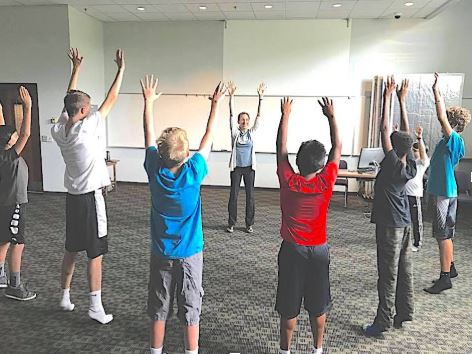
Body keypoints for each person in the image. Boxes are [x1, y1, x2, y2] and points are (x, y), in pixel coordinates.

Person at [141, 75, 226, 354]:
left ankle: (156, 351)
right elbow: (209, 135)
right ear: (187, 153)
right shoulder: (194, 173)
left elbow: (147, 134)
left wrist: (148, 102)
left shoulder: (154, 169)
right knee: (191, 306)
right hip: (190, 254)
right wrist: (215, 105)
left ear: (161, 153)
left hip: (161, 252)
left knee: (159, 306)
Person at [51, 48, 125, 324]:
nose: (92, 109)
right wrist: (121, 69)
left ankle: (64, 296)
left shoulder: (60, 129)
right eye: (89, 107)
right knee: (95, 253)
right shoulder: (87, 127)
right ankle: (95, 307)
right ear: (83, 111)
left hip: (72, 198)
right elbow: (112, 97)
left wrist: (75, 69)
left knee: (71, 248)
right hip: (91, 200)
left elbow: (68, 102)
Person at [275, 96, 342, 354]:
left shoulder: (288, 180)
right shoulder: (326, 181)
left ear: (298, 161)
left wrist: (286, 115)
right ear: (321, 164)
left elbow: (280, 148)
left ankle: (285, 350)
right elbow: (338, 146)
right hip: (319, 251)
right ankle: (317, 349)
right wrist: (331, 116)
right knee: (319, 303)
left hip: (292, 249)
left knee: (289, 304)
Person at [363, 76, 417, 338]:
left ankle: (382, 322)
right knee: (404, 268)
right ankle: (405, 311)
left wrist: (387, 97)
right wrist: (402, 102)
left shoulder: (394, 163)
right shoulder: (409, 164)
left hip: (390, 226)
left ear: (394, 148)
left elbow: (385, 129)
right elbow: (405, 136)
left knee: (388, 274)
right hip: (405, 223)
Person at [424, 73, 471, 294]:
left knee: (443, 235)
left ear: (452, 124)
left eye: (446, 122)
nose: (442, 124)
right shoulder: (446, 142)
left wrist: (436, 92)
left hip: (444, 193)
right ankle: (450, 267)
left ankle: (444, 278)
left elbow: (441, 117)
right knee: (447, 233)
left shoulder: (454, 140)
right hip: (445, 192)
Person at [0, 86, 37, 301]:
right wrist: (28, 107)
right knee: (17, 242)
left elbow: (5, 128)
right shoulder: (10, 156)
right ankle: (15, 285)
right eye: (13, 136)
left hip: (5, 203)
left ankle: (1, 276)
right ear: (10, 143)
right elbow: (26, 132)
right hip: (14, 203)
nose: (17, 136)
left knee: (4, 238)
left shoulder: (3, 152)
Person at [226, 81, 266, 233]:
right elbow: (230, 114)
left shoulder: (252, 133)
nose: (245, 122)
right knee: (233, 196)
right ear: (238, 122)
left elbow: (259, 117)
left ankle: (249, 224)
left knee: (250, 197)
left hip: (249, 168)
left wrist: (260, 98)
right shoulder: (235, 133)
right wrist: (231, 97)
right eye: (242, 120)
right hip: (236, 168)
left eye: (247, 120)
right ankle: (231, 223)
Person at [396, 79, 430, 252]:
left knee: (416, 220)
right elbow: (404, 147)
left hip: (415, 195)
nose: (415, 152)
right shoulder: (409, 161)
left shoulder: (422, 163)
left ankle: (417, 243)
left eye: (417, 150)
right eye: (413, 150)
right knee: (404, 217)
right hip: (403, 193)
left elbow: (422, 153)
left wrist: (419, 139)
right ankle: (405, 240)